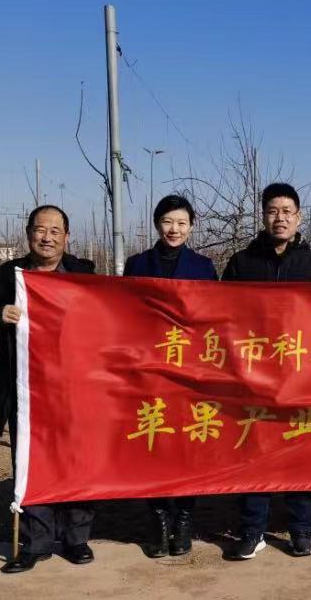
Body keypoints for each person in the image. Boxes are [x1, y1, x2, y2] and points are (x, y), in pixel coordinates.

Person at [0, 205, 98, 574]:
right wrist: (0, 315)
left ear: (67, 237)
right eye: (40, 230)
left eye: (55, 231)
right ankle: (36, 542)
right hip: (25, 389)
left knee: (75, 461)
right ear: (29, 234)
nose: (47, 237)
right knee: (30, 462)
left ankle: (76, 537)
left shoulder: (84, 274)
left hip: (74, 388)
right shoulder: (10, 275)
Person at [221, 182, 311, 560]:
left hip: (300, 376)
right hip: (253, 376)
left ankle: (301, 530)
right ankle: (252, 530)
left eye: (287, 212)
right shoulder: (242, 263)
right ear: (263, 216)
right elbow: (221, 313)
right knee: (254, 453)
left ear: (299, 218)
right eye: (272, 211)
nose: (279, 218)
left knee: (298, 453)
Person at [124, 194, 217, 558]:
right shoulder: (137, 264)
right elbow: (124, 313)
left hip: (191, 370)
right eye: (167, 221)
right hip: (150, 369)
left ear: (191, 227)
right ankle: (159, 520)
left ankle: (184, 519)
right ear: (156, 224)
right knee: (155, 442)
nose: (174, 229)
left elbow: (216, 317)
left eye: (181, 223)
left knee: (187, 444)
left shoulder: (204, 267)